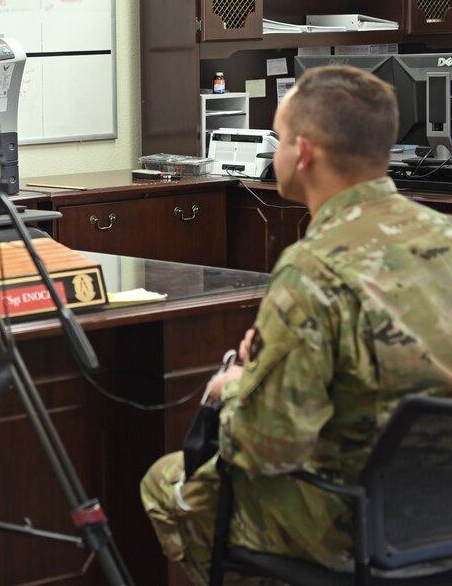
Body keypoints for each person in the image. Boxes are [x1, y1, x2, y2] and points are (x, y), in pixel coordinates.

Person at [141, 65, 452, 584]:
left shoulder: (314, 269)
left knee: (168, 484)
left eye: (278, 138)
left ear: (303, 153)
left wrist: (234, 387)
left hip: (351, 524)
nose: (275, 150)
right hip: (439, 509)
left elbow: (267, 448)